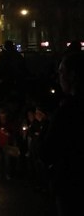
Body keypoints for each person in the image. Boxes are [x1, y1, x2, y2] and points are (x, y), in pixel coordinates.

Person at [41, 50, 84, 216]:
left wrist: (48, 124)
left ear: (72, 76)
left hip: (72, 185)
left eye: (61, 72)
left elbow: (47, 151)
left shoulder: (69, 110)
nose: (58, 77)